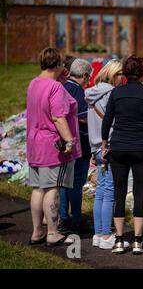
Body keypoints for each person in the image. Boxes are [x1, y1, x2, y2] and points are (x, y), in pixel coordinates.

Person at [102, 55, 143, 255]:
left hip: (118, 147)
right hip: (141, 148)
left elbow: (107, 121)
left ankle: (119, 240)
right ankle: (138, 241)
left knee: (119, 193)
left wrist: (105, 146)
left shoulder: (116, 93)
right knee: (139, 192)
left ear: (125, 72)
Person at [27, 48, 81, 247]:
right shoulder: (55, 88)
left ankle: (36, 232)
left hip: (34, 143)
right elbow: (58, 117)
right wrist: (69, 141)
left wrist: (61, 81)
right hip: (52, 144)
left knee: (38, 188)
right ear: (58, 65)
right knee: (52, 188)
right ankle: (52, 232)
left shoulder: (34, 83)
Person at [85, 60, 124, 249]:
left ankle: (99, 233)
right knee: (109, 192)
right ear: (111, 74)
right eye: (119, 74)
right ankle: (106, 234)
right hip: (108, 145)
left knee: (100, 191)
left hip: (96, 146)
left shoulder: (91, 93)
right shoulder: (111, 94)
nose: (122, 78)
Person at [58, 59, 92, 233]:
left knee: (63, 182)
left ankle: (63, 218)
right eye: (89, 78)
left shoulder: (61, 87)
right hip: (79, 142)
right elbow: (83, 116)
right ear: (84, 75)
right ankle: (77, 219)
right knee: (77, 182)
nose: (89, 82)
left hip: (62, 142)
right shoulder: (78, 91)